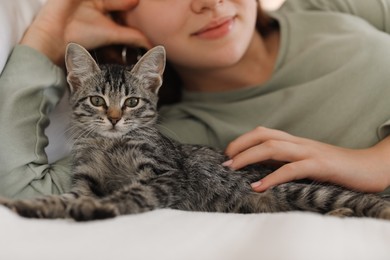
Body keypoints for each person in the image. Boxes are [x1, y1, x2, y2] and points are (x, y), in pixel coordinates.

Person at [0, 0, 390, 199]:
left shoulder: (329, 7)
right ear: (124, 18)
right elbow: (20, 186)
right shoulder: (181, 138)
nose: (210, 2)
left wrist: (375, 162)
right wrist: (48, 38)